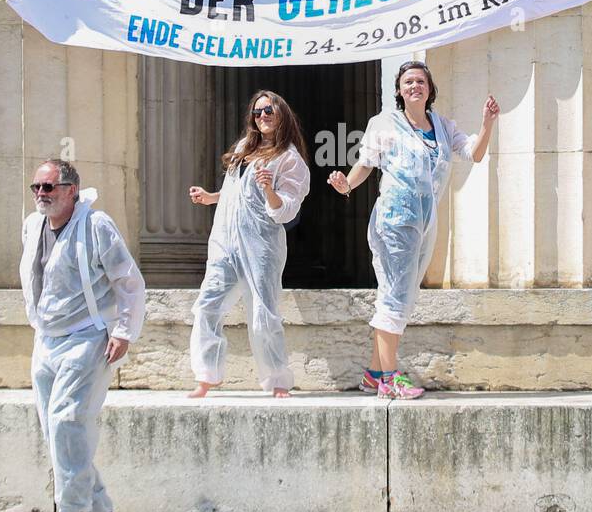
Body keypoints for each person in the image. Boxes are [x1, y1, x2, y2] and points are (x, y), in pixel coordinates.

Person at [329, 61, 498, 398]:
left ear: (429, 89)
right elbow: (365, 164)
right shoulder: (384, 124)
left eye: (420, 81)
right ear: (399, 90)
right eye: (408, 82)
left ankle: (375, 374)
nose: (414, 86)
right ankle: (390, 379)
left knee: (402, 297)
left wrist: (487, 124)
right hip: (394, 220)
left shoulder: (442, 126)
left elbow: (474, 154)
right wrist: (346, 185)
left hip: (424, 223)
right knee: (394, 296)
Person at [19, 158, 146, 512]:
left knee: (67, 418)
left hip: (87, 334)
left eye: (49, 187)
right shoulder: (32, 226)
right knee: (50, 424)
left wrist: (123, 331)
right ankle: (97, 503)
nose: (42, 194)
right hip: (46, 337)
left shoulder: (95, 225)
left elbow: (127, 280)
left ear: (71, 190)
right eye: (37, 188)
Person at [187, 90, 311, 398]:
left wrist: (270, 189)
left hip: (261, 244)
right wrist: (211, 197)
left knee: (263, 313)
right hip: (225, 240)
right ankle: (207, 375)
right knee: (207, 305)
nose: (263, 116)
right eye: (258, 112)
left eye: (269, 110)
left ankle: (278, 379)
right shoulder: (245, 147)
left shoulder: (290, 159)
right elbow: (237, 191)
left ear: (282, 113)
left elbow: (285, 210)